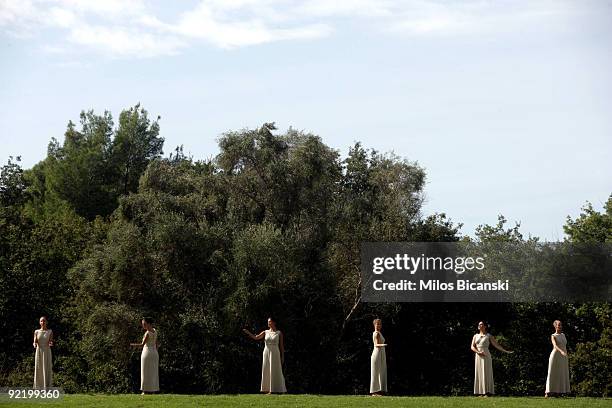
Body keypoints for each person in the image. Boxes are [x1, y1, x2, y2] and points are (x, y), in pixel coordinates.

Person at [243, 317, 287, 394]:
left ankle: (277, 389)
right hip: (266, 352)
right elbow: (256, 337)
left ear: (274, 322)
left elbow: (281, 346)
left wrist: (282, 357)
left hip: (275, 353)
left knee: (276, 370)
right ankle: (268, 389)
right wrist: (248, 333)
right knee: (267, 369)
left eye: (270, 322)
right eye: (268, 322)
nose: (268, 323)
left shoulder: (279, 333)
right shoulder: (265, 332)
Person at [470, 321, 513, 396]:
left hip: (486, 355)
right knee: (479, 373)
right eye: (479, 324)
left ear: (485, 326)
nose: (480, 325)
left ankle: (487, 392)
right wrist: (478, 352)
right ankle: (481, 392)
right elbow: (472, 346)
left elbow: (496, 345)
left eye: (482, 324)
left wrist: (505, 351)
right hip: (478, 356)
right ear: (478, 327)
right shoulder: (475, 336)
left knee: (487, 373)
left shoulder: (488, 336)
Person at [130, 317, 159, 394]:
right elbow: (156, 344)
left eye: (144, 324)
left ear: (149, 324)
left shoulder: (147, 333)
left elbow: (142, 345)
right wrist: (156, 351)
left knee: (145, 372)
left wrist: (132, 345)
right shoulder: (155, 331)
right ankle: (153, 390)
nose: (143, 326)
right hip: (154, 353)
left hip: (147, 352)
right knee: (153, 372)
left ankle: (145, 390)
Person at [545, 320, 570, 397]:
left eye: (561, 325)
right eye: (558, 325)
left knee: (562, 373)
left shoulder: (563, 335)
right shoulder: (553, 335)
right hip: (555, 355)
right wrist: (561, 351)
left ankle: (560, 392)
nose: (560, 326)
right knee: (553, 373)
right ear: (555, 326)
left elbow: (564, 345)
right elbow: (555, 345)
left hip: (563, 356)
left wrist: (565, 353)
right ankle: (548, 392)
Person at [33, 316, 53, 389]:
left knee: (47, 368)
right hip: (39, 351)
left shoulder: (50, 331)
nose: (43, 322)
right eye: (41, 321)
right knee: (38, 369)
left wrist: (51, 343)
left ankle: (47, 388)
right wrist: (34, 344)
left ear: (46, 322)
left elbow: (50, 341)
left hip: (47, 351)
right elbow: (35, 341)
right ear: (39, 322)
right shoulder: (36, 331)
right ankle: (38, 388)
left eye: (44, 321)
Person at [370, 318, 387, 396]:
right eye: (377, 324)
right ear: (374, 325)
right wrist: (384, 345)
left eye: (380, 324)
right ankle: (374, 392)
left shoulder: (379, 333)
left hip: (381, 354)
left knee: (381, 372)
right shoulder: (376, 333)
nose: (379, 325)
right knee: (376, 372)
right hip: (377, 354)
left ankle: (381, 390)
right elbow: (376, 344)